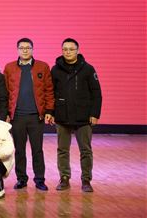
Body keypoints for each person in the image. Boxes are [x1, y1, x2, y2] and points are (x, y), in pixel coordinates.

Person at [52, 38, 102, 193]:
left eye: (71, 49)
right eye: (65, 49)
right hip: (62, 116)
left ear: (78, 50)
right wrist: (51, 113)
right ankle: (64, 178)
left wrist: (94, 113)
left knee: (85, 150)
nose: (68, 52)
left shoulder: (88, 69)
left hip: (83, 117)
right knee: (62, 150)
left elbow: (96, 93)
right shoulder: (55, 70)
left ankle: (86, 180)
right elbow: (51, 93)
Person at [4, 38, 54, 191]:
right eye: (22, 48)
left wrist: (49, 111)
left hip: (36, 117)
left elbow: (49, 90)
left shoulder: (42, 67)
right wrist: (6, 113)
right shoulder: (9, 67)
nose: (25, 50)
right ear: (17, 50)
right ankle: (21, 179)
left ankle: (40, 180)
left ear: (32, 49)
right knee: (19, 150)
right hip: (17, 117)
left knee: (37, 150)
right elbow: (5, 92)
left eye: (28, 47)